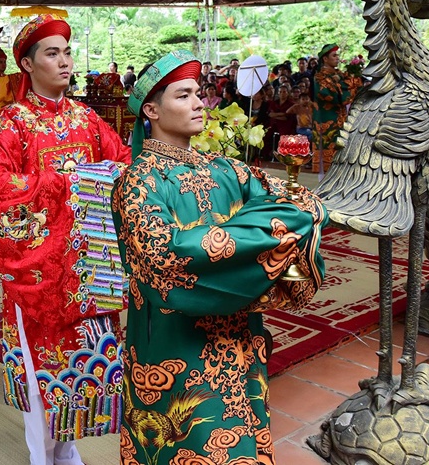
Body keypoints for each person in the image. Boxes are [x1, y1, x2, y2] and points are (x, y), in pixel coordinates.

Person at [113, 50, 327, 465]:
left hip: (240, 339)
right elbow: (166, 258)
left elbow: (297, 208)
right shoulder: (137, 183)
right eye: (183, 96)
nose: (198, 104)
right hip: (173, 345)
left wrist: (235, 244)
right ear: (151, 110)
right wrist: (254, 241)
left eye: (199, 93)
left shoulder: (230, 170)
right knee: (182, 440)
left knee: (243, 432)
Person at [0, 14, 131, 465]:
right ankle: (44, 458)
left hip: (89, 268)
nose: (64, 61)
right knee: (40, 368)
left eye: (66, 50)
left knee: (84, 365)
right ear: (26, 64)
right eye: (51, 52)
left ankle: (68, 452)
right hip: (39, 272)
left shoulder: (87, 118)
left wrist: (111, 178)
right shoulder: (11, 124)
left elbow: (122, 165)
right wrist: (66, 184)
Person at [313, 43, 349, 172]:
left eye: (337, 55)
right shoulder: (319, 77)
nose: (337, 58)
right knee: (327, 159)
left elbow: (350, 89)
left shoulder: (341, 75)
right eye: (334, 55)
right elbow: (329, 96)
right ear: (325, 59)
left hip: (341, 120)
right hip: (326, 120)